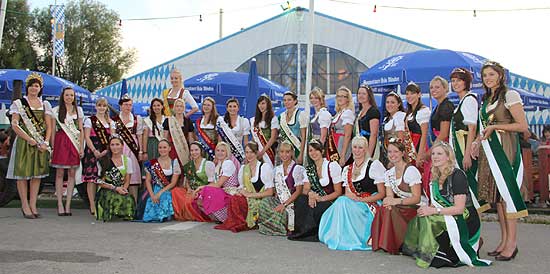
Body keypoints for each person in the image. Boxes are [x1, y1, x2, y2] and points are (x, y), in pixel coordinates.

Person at [472, 61, 528, 261]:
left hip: (505, 148)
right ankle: (504, 240)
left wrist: (495, 128)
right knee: (499, 199)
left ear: (501, 76)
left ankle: (512, 244)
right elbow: (484, 127)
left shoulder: (509, 95)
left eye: (491, 74)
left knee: (507, 195)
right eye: (485, 75)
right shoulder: (488, 99)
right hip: (490, 151)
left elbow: (522, 126)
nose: (488, 78)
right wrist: (477, 141)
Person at [403, 141, 490, 268]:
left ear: (448, 157)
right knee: (420, 218)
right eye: (433, 154)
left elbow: (460, 209)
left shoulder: (457, 175)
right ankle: (425, 251)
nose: (435, 157)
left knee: (430, 220)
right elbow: (437, 202)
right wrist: (428, 208)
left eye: (439, 153)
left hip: (465, 218)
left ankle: (432, 255)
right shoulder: (436, 176)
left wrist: (433, 211)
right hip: (448, 213)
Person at [318, 136, 386, 250]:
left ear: (365, 149)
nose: (357, 150)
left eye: (360, 148)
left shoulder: (374, 165)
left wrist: (362, 200)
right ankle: (341, 237)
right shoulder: (348, 169)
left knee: (342, 201)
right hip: (355, 202)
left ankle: (350, 238)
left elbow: (381, 193)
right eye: (355, 147)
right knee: (342, 200)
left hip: (371, 203)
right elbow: (348, 193)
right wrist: (355, 199)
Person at [7, 73, 53, 219]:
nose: (34, 88)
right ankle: (24, 205)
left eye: (37, 86)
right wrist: (28, 139)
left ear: (40, 88)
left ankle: (33, 204)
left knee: (36, 175)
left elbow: (49, 125)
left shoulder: (44, 104)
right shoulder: (19, 104)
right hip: (24, 143)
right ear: (27, 87)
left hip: (40, 144)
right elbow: (14, 125)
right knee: (23, 174)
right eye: (32, 85)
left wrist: (46, 142)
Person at [371, 139, 423, 254]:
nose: (392, 155)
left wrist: (396, 201)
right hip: (401, 205)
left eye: (395, 151)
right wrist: (389, 202)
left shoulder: (411, 170)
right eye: (389, 152)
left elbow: (417, 198)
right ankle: (384, 243)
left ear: (402, 153)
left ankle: (393, 244)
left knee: (391, 209)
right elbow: (389, 196)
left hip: (414, 207)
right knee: (384, 208)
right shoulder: (389, 173)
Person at [288, 139, 343, 242]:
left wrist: (322, 198)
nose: (313, 153)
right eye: (310, 150)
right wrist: (311, 194)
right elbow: (305, 189)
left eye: (316, 150)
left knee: (319, 206)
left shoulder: (332, 166)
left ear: (322, 151)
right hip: (316, 198)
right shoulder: (309, 169)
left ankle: (316, 233)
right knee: (300, 199)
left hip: (331, 200)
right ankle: (303, 232)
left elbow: (338, 192)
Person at [448, 68, 487, 211]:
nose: (455, 83)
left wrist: (466, 154)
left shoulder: (469, 100)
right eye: (453, 81)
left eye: (459, 80)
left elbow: (472, 128)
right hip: (458, 147)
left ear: (466, 82)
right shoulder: (462, 101)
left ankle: (477, 227)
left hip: (464, 148)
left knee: (470, 187)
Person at [215, 142, 274, 232]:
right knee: (234, 198)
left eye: (251, 152)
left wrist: (250, 195)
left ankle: (247, 222)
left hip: (260, 199)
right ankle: (238, 222)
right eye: (246, 152)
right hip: (247, 197)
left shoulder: (264, 167)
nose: (249, 155)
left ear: (256, 153)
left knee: (238, 200)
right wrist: (240, 192)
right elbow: (242, 187)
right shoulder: (243, 168)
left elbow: (270, 192)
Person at [258, 141, 305, 236]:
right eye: (282, 152)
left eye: (287, 152)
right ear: (279, 153)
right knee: (264, 202)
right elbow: (276, 190)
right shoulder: (276, 170)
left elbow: (298, 191)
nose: (284, 155)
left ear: (292, 153)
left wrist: (284, 205)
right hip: (280, 200)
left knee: (280, 212)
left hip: (292, 203)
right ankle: (272, 226)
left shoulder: (297, 169)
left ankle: (281, 227)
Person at [50, 87, 85, 216]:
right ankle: (59, 203)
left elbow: (80, 130)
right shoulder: (56, 111)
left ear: (74, 97)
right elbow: (53, 131)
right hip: (60, 143)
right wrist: (53, 148)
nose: (69, 97)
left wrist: (81, 147)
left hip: (74, 144)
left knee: (71, 174)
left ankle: (68, 204)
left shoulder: (78, 110)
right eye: (67, 95)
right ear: (62, 96)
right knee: (59, 173)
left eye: (71, 95)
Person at [82, 98, 115, 216]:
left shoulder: (111, 122)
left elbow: (112, 138)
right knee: (91, 179)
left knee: (103, 178)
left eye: (104, 106)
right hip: (93, 151)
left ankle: (102, 202)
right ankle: (92, 204)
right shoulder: (89, 121)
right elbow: (87, 137)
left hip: (106, 151)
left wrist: (106, 150)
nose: (102, 108)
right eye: (99, 105)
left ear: (107, 107)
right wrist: (95, 151)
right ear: (96, 106)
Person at [195, 142, 240, 222]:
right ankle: (217, 216)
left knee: (207, 191)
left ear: (227, 153)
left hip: (230, 191)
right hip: (223, 190)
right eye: (218, 150)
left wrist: (203, 187)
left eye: (222, 151)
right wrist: (202, 189)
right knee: (202, 192)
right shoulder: (219, 164)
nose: (220, 153)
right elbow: (215, 183)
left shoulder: (228, 163)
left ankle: (224, 217)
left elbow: (219, 184)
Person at [137, 140, 180, 222]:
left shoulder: (174, 162)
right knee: (151, 200)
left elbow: (173, 183)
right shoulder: (152, 163)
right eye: (160, 147)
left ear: (169, 148)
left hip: (168, 189)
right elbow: (148, 181)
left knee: (164, 196)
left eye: (164, 147)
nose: (162, 150)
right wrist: (152, 195)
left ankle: (164, 215)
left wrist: (160, 193)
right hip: (154, 188)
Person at [95, 136, 136, 221]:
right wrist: (115, 188)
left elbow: (127, 180)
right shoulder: (104, 161)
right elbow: (99, 181)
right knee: (112, 197)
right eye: (112, 145)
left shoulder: (127, 160)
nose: (115, 147)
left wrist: (123, 189)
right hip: (107, 189)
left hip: (121, 188)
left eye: (117, 144)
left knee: (128, 198)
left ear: (122, 146)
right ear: (109, 147)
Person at [171, 142, 215, 222]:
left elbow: (213, 183)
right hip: (192, 190)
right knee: (175, 191)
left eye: (196, 150)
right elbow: (188, 180)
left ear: (201, 151)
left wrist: (199, 190)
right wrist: (188, 188)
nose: (194, 152)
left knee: (189, 201)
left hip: (204, 191)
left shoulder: (208, 164)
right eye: (192, 150)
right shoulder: (189, 165)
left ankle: (194, 214)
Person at [112, 94, 143, 202]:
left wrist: (141, 150)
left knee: (133, 176)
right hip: (118, 148)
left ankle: (134, 204)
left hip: (132, 148)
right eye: (125, 105)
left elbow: (139, 135)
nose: (128, 107)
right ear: (120, 106)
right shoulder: (114, 120)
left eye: (130, 105)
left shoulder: (136, 119)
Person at [404, 83, 430, 197]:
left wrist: (420, 154)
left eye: (412, 93)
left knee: (422, 174)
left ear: (419, 95)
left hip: (419, 146)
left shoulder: (423, 111)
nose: (409, 96)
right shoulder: (409, 112)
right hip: (411, 146)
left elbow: (424, 134)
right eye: (407, 94)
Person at [382, 92, 414, 166]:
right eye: (387, 102)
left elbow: (401, 140)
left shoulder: (400, 116)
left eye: (392, 102)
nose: (389, 105)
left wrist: (394, 158)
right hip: (387, 153)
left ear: (399, 104)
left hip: (397, 156)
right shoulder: (386, 119)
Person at [278, 91, 308, 164]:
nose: (286, 102)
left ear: (295, 101)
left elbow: (304, 137)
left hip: (297, 149)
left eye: (289, 100)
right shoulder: (281, 116)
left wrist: (301, 154)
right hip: (285, 152)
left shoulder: (301, 115)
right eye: (284, 100)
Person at [328, 86, 355, 166]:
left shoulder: (347, 113)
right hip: (334, 144)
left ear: (348, 99)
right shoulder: (339, 113)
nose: (340, 98)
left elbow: (348, 135)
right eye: (338, 96)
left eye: (343, 96)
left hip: (342, 146)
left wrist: (343, 155)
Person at [163, 98, 194, 167]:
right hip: (172, 149)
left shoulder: (188, 121)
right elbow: (165, 138)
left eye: (181, 106)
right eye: (177, 106)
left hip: (184, 148)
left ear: (184, 108)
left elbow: (190, 138)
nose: (179, 108)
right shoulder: (168, 121)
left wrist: (192, 151)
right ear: (174, 108)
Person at [217, 98, 250, 163]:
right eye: (230, 106)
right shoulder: (221, 121)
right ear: (227, 108)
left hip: (238, 154)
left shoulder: (244, 121)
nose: (232, 108)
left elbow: (246, 141)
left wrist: (247, 155)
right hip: (224, 154)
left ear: (238, 108)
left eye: (234, 106)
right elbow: (219, 140)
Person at [250, 95, 279, 166]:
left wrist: (262, 152)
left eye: (263, 103)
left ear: (268, 104)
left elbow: (273, 138)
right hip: (257, 152)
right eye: (259, 103)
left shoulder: (273, 119)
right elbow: (254, 138)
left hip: (268, 152)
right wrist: (254, 151)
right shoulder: (253, 120)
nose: (261, 106)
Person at [355, 84, 380, 160]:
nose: (361, 96)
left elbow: (373, 134)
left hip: (369, 146)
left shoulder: (373, 112)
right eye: (359, 93)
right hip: (359, 147)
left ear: (369, 96)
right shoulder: (360, 112)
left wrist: (369, 154)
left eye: (364, 94)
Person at [429, 76, 454, 143]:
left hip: (445, 145)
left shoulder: (446, 106)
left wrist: (432, 150)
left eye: (437, 87)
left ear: (445, 88)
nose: (433, 90)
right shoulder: (438, 106)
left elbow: (444, 134)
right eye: (431, 87)